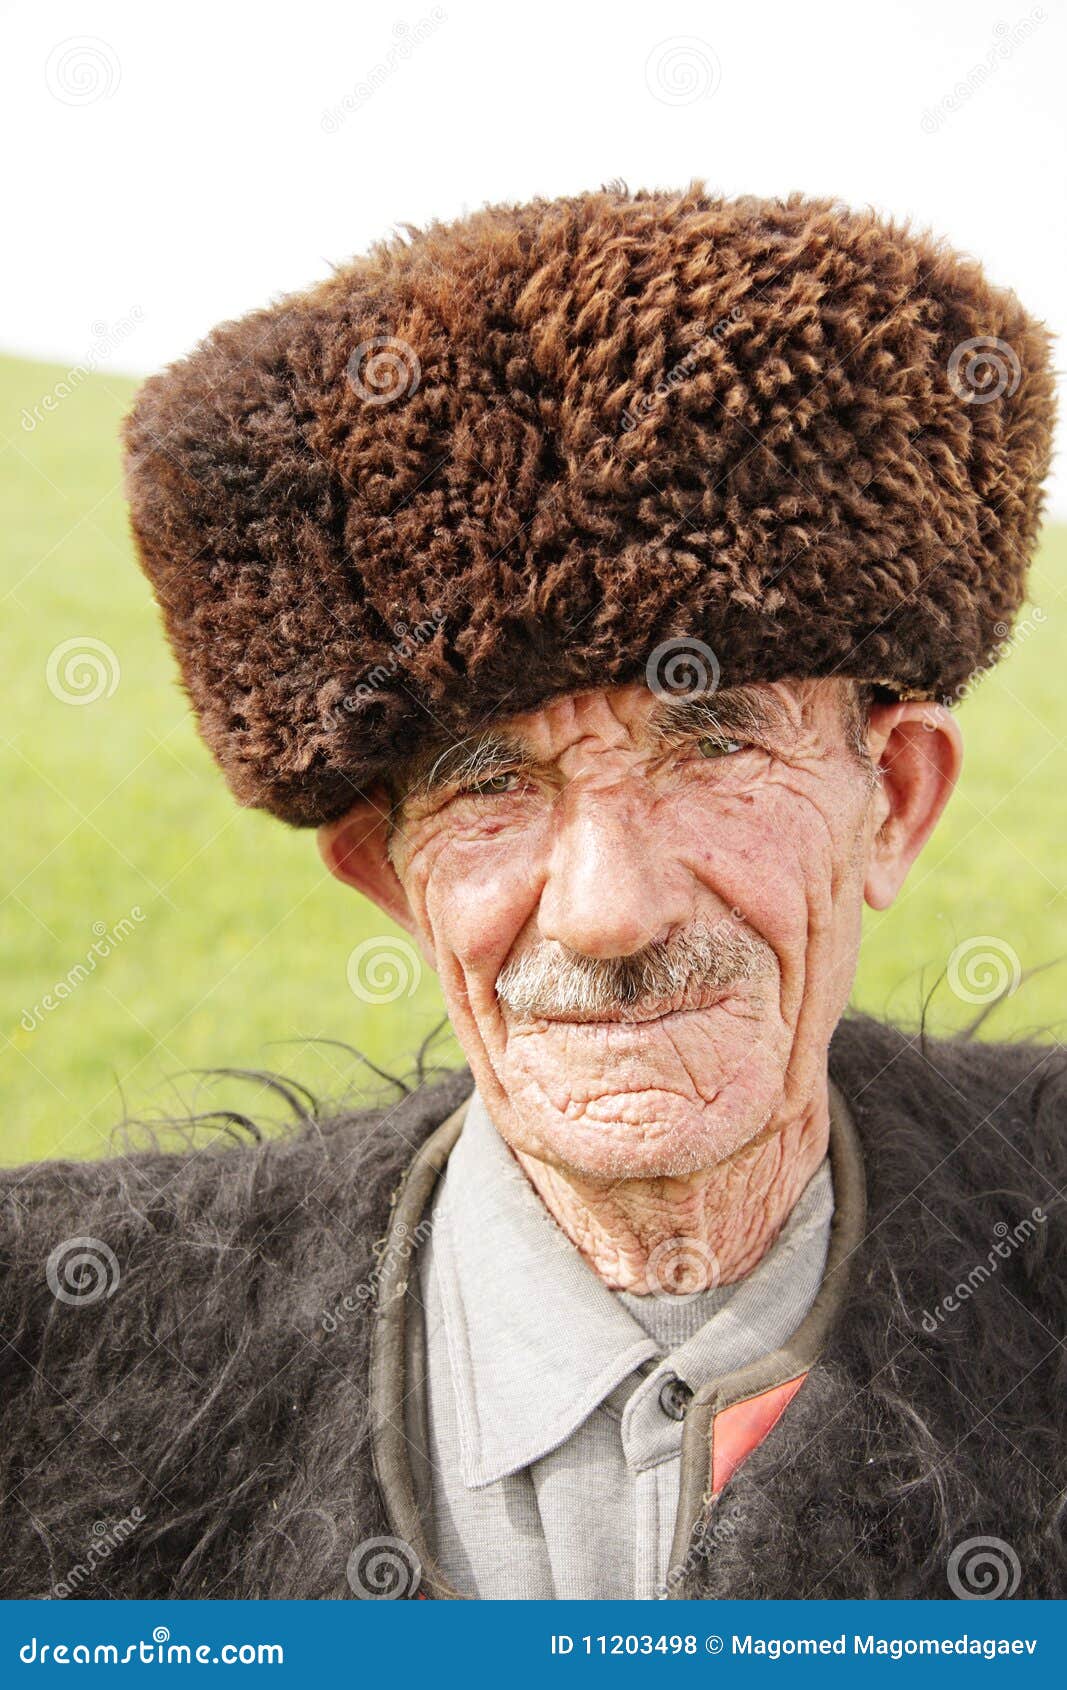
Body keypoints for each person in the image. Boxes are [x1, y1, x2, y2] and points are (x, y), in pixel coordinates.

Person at [2, 186, 1063, 1601]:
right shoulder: (47, 1373)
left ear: (896, 799)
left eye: (712, 740)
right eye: (490, 781)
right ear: (391, 877)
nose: (607, 912)